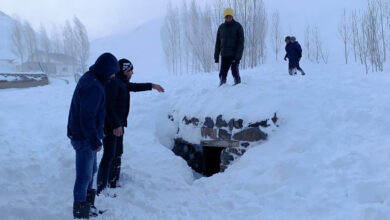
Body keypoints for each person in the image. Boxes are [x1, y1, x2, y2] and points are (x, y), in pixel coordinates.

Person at [97, 58, 165, 195]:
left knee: (117, 153)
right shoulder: (113, 83)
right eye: (131, 70)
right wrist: (116, 124)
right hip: (111, 126)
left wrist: (151, 85)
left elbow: (133, 87)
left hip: (118, 125)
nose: (132, 73)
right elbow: (108, 106)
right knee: (109, 155)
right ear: (125, 70)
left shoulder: (121, 82)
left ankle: (112, 182)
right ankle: (102, 188)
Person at [67, 53, 119, 219]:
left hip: (87, 136)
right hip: (84, 138)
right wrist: (94, 140)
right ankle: (80, 213)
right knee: (84, 176)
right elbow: (87, 117)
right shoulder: (94, 87)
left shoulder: (92, 78)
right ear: (105, 71)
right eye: (112, 72)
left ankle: (88, 206)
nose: (113, 76)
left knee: (91, 171)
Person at [214, 8, 244, 86]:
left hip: (234, 55)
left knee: (234, 71)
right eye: (226, 17)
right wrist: (216, 55)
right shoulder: (221, 27)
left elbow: (241, 43)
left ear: (232, 16)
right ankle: (222, 85)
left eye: (229, 16)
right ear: (224, 17)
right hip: (224, 55)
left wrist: (238, 57)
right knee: (222, 73)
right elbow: (218, 42)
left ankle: (238, 85)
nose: (228, 18)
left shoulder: (238, 27)